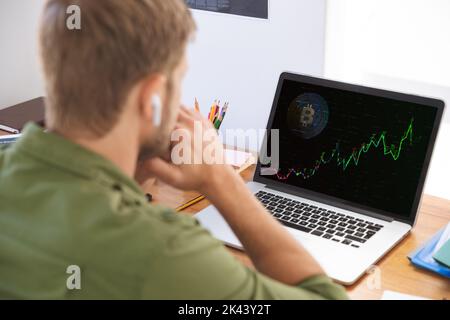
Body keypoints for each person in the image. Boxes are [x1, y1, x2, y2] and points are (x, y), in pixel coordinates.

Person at [0, 0, 347, 299]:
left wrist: (131, 172)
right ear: (150, 99)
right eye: (178, 81)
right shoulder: (163, 255)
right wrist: (220, 178)